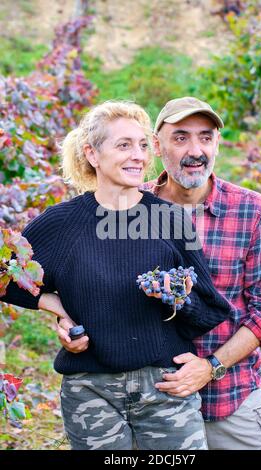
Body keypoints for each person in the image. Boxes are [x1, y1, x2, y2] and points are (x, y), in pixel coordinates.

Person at [58, 97, 261, 450]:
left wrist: (211, 366)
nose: (195, 150)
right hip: (147, 399)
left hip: (227, 394)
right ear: (155, 145)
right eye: (180, 137)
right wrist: (64, 320)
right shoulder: (125, 203)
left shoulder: (252, 211)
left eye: (206, 137)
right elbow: (85, 282)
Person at [1, 100, 232, 450]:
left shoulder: (171, 220)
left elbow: (208, 309)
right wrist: (56, 306)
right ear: (92, 154)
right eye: (123, 145)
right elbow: (6, 275)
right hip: (91, 390)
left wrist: (176, 297)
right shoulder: (63, 223)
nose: (137, 155)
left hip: (165, 386)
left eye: (142, 145)